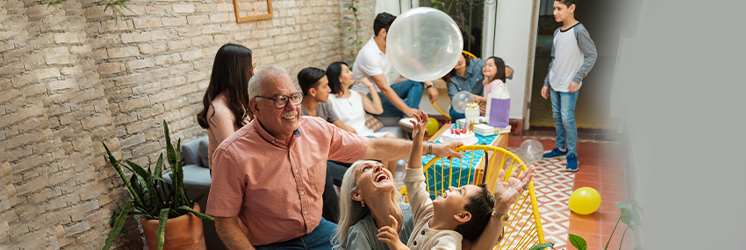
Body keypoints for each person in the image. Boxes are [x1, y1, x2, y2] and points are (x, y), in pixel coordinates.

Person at [205, 66, 462, 250]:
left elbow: (372, 148)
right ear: (255, 106)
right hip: (273, 244)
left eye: (294, 97)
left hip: (320, 232)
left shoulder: (315, 128)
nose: (293, 108)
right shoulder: (232, 154)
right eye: (280, 100)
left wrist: (430, 147)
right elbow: (225, 223)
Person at [334, 111, 536, 250]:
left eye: (459, 191)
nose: (378, 165)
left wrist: (502, 207)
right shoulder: (425, 214)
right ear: (356, 194)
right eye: (366, 168)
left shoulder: (447, 239)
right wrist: (418, 140)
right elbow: (414, 179)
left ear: (462, 216)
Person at [541, 0, 597, 172]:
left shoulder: (579, 31)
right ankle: (561, 147)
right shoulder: (558, 32)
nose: (555, 12)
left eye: (559, 9)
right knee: (557, 117)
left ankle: (572, 154)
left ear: (571, 8)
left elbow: (592, 55)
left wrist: (577, 77)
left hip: (569, 85)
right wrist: (546, 82)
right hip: (555, 82)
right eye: (554, 9)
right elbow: (554, 59)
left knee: (567, 119)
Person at [351, 12, 439, 118]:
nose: (397, 35)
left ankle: (408, 119)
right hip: (370, 98)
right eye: (394, 32)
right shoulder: (369, 54)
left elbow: (411, 62)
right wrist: (407, 110)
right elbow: (384, 88)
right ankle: (409, 118)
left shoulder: (390, 45)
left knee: (417, 82)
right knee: (408, 109)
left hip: (384, 91)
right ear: (383, 32)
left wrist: (430, 85)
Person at [196, 43, 256, 167]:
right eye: (253, 67)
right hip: (228, 173)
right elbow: (233, 155)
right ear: (238, 72)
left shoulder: (240, 98)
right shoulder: (219, 110)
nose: (256, 72)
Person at [327, 61, 394, 138]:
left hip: (366, 134)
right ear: (339, 78)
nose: (352, 73)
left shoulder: (358, 95)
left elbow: (378, 110)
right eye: (347, 71)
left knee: (390, 136)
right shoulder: (330, 99)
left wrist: (370, 86)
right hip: (350, 138)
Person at [443, 53, 514, 122]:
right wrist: (475, 107)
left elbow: (509, 71)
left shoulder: (478, 64)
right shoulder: (451, 79)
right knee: (455, 113)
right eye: (453, 60)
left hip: (484, 107)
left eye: (458, 55)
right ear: (449, 66)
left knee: (486, 114)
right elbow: (457, 102)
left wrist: (491, 77)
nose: (458, 60)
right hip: (467, 108)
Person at [298, 67, 356, 133]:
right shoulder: (297, 113)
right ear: (312, 92)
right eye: (325, 86)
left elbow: (344, 131)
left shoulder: (325, 106)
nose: (329, 90)